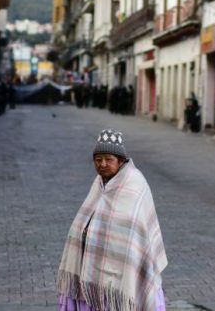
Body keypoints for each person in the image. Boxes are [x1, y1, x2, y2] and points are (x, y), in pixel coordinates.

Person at [57, 130, 167, 311]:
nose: (102, 164)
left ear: (121, 160)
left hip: (121, 282)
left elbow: (135, 234)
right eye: (98, 159)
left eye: (108, 159)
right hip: (94, 280)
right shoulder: (100, 182)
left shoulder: (135, 184)